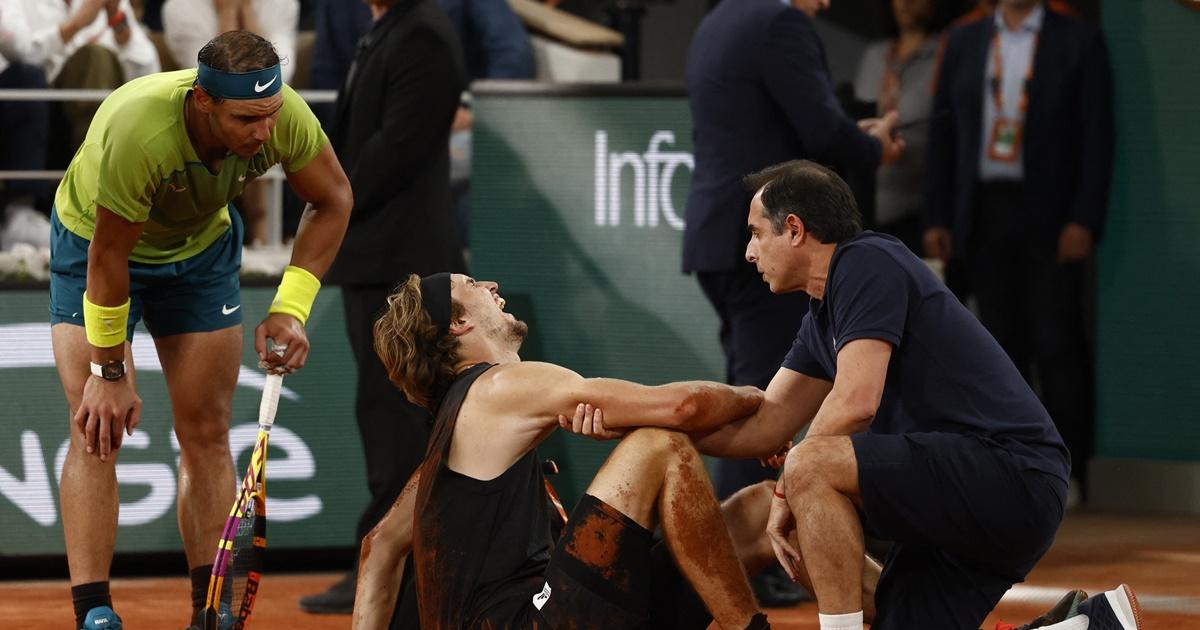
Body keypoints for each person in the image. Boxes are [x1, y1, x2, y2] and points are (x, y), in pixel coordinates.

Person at [671, 158, 1135, 629]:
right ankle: (1089, 623)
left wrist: (788, 489)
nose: (749, 252)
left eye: (755, 233)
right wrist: (664, 432)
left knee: (810, 464)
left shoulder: (865, 262)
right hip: (961, 494)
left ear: (794, 229)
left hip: (1010, 473)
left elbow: (856, 403)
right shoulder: (821, 317)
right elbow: (765, 424)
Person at [48, 31, 352, 630]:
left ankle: (211, 610)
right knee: (96, 428)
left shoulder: (281, 115)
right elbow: (108, 259)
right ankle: (95, 612)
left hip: (200, 252)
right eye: (247, 119)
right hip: (95, 247)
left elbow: (334, 198)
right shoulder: (140, 130)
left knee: (208, 430)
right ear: (203, 101)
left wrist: (291, 307)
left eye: (271, 113)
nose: (264, 132)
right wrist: (109, 371)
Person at [348, 272, 778, 630]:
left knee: (761, 513)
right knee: (659, 446)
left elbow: (378, 546)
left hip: (560, 611)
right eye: (472, 285)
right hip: (529, 619)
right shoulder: (498, 385)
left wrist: (758, 437)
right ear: (458, 322)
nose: (492, 285)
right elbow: (682, 409)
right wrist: (759, 402)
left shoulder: (445, 454)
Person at [683, 0, 904, 604]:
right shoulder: (780, 22)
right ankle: (752, 564)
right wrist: (872, 146)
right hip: (764, 239)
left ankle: (733, 559)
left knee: (752, 396)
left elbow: (773, 119)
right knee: (763, 405)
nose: (826, 4)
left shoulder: (719, 19)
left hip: (713, 238)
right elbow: (820, 131)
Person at [298, 0, 468, 616]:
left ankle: (393, 570)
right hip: (378, 258)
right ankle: (397, 566)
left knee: (396, 417)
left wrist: (328, 195)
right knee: (386, 415)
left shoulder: (422, 36)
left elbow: (397, 148)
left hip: (402, 264)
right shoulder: (390, 30)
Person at [923, 0, 1113, 504]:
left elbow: (1098, 135)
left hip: (1051, 214)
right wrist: (937, 215)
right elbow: (944, 134)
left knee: (1057, 343)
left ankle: (1067, 471)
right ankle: (1011, 468)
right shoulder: (964, 41)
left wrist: (1085, 218)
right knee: (997, 348)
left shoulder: (1079, 40)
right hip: (983, 212)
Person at [161, 0, 302, 245]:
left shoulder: (282, 3)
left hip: (266, 104)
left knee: (261, 121)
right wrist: (228, 13)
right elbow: (212, 80)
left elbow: (278, 76)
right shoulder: (179, 7)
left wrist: (245, 11)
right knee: (241, 118)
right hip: (202, 111)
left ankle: (263, 236)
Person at [853, 0, 948, 254]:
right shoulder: (875, 54)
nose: (905, 2)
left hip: (918, 213)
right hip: (864, 211)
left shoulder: (946, 53)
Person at [0, 0, 160, 151]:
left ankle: (100, 153)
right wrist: (73, 27)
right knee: (93, 57)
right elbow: (18, 52)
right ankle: (94, 157)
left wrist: (116, 21)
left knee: (98, 59)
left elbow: (149, 71)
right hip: (41, 100)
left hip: (107, 104)